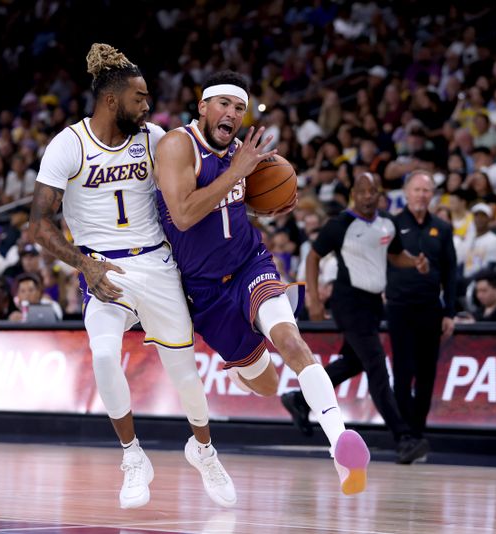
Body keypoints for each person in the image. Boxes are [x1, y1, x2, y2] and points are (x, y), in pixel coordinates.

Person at [29, 43, 235, 509]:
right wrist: (84, 263)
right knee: (103, 355)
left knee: (184, 374)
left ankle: (203, 449)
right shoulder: (69, 144)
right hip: (105, 268)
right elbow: (38, 224)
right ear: (110, 100)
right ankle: (133, 455)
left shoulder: (155, 138)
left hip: (158, 263)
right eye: (140, 98)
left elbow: (197, 174)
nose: (147, 106)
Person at [156, 71, 371, 493]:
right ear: (202, 107)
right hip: (206, 292)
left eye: (239, 108)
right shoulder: (177, 145)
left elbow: (240, 201)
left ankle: (340, 447)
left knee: (291, 341)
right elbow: (183, 214)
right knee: (268, 384)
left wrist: (270, 198)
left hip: (251, 264)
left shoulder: (244, 151)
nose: (232, 114)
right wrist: (237, 172)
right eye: (223, 104)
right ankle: (240, 371)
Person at [279, 173, 431, 464]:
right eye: (362, 191)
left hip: (373, 303)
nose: (367, 197)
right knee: (376, 366)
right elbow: (313, 257)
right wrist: (313, 298)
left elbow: (396, 254)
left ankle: (299, 400)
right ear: (353, 193)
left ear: (379, 193)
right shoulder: (340, 225)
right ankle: (404, 439)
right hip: (348, 301)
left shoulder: (388, 222)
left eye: (372, 191)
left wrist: (415, 262)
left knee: (354, 362)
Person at [384, 171, 457, 445]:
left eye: (426, 191)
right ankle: (403, 435)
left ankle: (418, 431)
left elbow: (451, 273)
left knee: (427, 373)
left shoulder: (442, 228)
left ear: (433, 195)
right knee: (403, 372)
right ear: (406, 192)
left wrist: (450, 312)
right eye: (416, 190)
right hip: (399, 307)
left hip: (430, 309)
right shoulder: (391, 224)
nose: (421, 195)